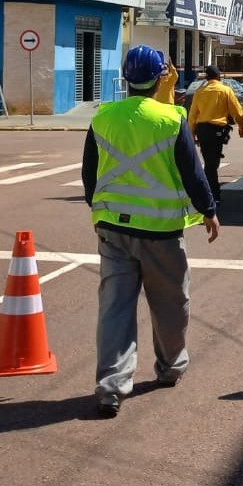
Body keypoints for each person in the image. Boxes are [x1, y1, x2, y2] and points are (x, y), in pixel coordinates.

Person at [82, 46, 219, 419]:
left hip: (112, 229)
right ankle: (170, 367)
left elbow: (89, 174)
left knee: (114, 309)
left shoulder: (103, 117)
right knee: (171, 305)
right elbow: (193, 171)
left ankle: (111, 387)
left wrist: (95, 210)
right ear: (161, 77)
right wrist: (209, 210)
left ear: (125, 78)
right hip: (160, 231)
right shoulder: (171, 119)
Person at [186, 65, 243, 202]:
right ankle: (212, 195)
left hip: (202, 130)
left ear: (207, 78)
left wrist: (191, 133)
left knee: (210, 162)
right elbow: (237, 112)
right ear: (219, 76)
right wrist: (241, 127)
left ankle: (209, 192)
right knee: (211, 165)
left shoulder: (200, 91)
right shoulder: (226, 90)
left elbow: (192, 115)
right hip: (217, 131)